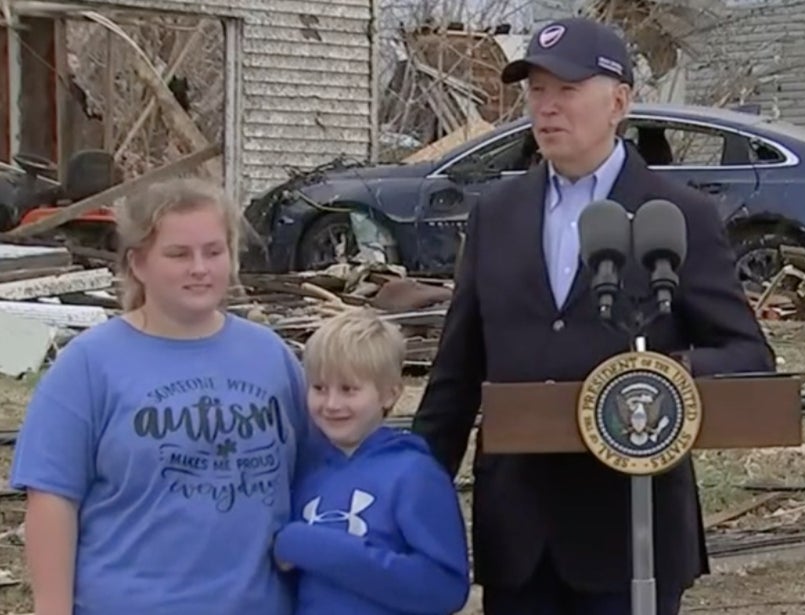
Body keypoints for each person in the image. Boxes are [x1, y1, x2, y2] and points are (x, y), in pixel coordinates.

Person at [411, 16, 775, 615]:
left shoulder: (675, 215)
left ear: (619, 102)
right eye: (536, 92)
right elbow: (457, 372)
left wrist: (657, 379)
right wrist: (413, 488)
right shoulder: (496, 214)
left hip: (631, 535)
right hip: (519, 535)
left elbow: (748, 357)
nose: (547, 109)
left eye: (568, 90)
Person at [10, 177, 309, 615]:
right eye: (178, 254)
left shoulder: (271, 357)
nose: (200, 268)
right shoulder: (89, 365)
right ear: (138, 264)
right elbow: (52, 501)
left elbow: (312, 472)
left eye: (213, 251)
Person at [273, 309, 470, 615]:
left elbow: (444, 589)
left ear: (390, 394)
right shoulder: (305, 472)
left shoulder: (415, 475)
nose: (332, 404)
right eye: (319, 388)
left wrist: (312, 546)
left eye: (349, 389)